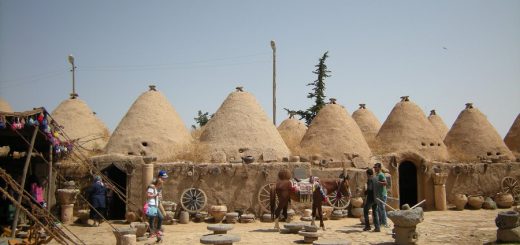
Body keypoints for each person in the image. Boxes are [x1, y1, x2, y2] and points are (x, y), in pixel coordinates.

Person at [146, 170, 168, 239]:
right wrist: (156, 195)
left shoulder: (160, 186)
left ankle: (157, 231)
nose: (164, 180)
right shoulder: (152, 186)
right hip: (151, 204)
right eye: (163, 178)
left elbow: (157, 194)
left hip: (156, 203)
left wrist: (159, 196)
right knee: (152, 218)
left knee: (160, 217)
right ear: (159, 178)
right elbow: (148, 195)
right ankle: (152, 233)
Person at [374, 162, 389, 228]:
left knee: (382, 208)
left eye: (376, 167)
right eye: (374, 167)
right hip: (378, 194)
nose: (374, 169)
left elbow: (385, 183)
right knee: (379, 209)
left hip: (382, 194)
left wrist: (378, 182)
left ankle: (385, 223)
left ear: (379, 168)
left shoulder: (381, 174)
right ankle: (381, 222)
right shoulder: (377, 175)